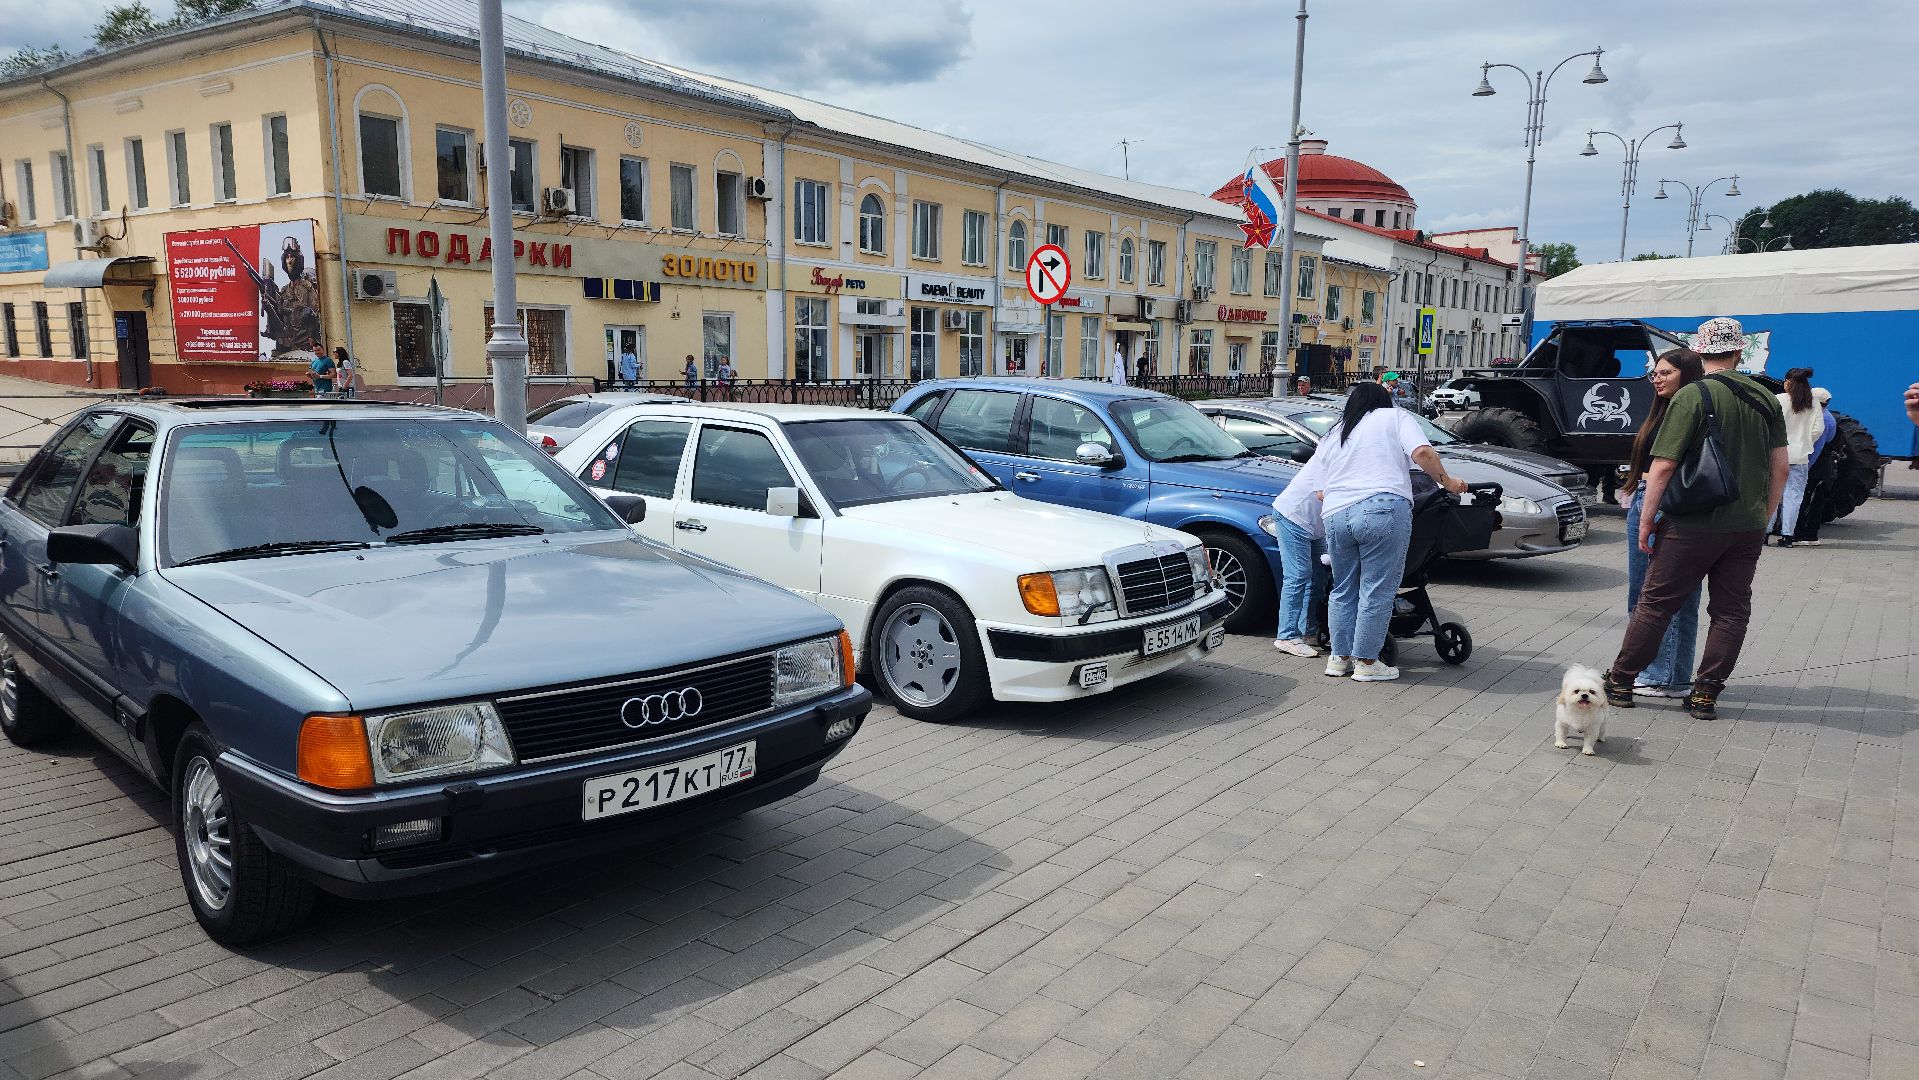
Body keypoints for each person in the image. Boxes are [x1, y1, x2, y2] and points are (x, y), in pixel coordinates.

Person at [1604, 318, 1787, 721]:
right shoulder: (1768, 398)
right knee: (1731, 611)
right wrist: (1765, 515)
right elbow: (1781, 470)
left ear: (1700, 353)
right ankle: (1705, 694)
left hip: (1691, 523)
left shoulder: (1692, 396)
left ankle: (1620, 681)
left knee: (1655, 603)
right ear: (1739, 352)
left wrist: (1648, 520)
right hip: (1747, 526)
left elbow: (1665, 465)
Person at [1306, 381, 1466, 682]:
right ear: (1384, 400)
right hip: (1382, 507)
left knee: (1343, 589)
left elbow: (1319, 492)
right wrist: (1448, 482)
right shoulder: (1395, 417)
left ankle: (1338, 660)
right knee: (1376, 589)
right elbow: (1422, 453)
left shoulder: (1334, 433)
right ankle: (1367, 663)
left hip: (1336, 514)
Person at [1621, 348, 1706, 699]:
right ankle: (1671, 673)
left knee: (1649, 595)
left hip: (1661, 503)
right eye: (1654, 373)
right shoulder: (1668, 409)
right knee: (1675, 595)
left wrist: (1646, 513)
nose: (1656, 379)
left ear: (1686, 374)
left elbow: (1666, 466)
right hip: (1663, 501)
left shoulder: (1684, 410)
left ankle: (1659, 675)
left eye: (1665, 373)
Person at [1270, 448, 1328, 657]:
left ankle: (1308, 632)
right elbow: (1325, 495)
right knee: (1298, 574)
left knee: (1320, 572)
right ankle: (1286, 636)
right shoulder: (1332, 454)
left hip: (1313, 525)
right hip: (1293, 517)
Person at [1770, 367, 1821, 547]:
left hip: (1777, 454)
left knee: (1772, 494)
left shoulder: (1778, 400)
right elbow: (1818, 430)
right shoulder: (1813, 403)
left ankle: (1765, 534)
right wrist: (1805, 441)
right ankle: (1787, 536)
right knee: (1794, 496)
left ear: (1789, 382)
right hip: (1800, 456)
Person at [1793, 388, 1837, 546]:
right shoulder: (1829, 417)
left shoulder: (1819, 419)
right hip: (1825, 466)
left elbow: (1816, 448)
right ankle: (1811, 535)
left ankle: (1799, 534)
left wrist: (1805, 468)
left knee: (1804, 500)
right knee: (1817, 501)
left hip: (1815, 465)